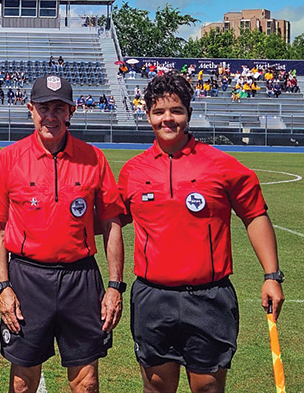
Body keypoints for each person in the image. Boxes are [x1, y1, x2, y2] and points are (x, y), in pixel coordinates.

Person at [116, 73, 284, 393]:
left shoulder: (221, 165)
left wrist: (271, 275)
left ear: (188, 114)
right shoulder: (133, 171)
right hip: (153, 297)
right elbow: (110, 220)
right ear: (148, 115)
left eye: (176, 110)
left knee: (207, 387)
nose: (168, 118)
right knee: (155, 386)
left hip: (209, 297)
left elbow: (254, 214)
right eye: (159, 111)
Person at [0, 75, 126, 393]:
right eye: (43, 107)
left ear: (71, 111)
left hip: (80, 279)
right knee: (23, 383)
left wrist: (115, 286)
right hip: (27, 278)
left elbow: (111, 224)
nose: (51, 115)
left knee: (87, 382)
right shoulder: (9, 158)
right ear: (30, 109)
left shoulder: (94, 159)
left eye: (58, 108)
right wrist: (4, 287)